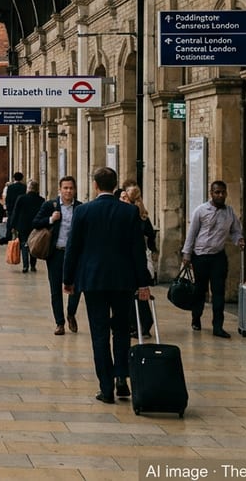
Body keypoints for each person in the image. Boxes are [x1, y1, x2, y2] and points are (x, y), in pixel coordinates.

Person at [63, 167, 152, 404]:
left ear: (95, 185)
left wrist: (68, 279)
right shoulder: (129, 212)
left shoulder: (83, 211)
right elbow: (137, 251)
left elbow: (73, 248)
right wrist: (143, 283)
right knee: (122, 331)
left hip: (93, 281)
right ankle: (122, 378)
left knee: (99, 333)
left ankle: (106, 387)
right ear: (115, 186)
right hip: (123, 281)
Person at [182, 180, 245, 338]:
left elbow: (235, 231)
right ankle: (196, 318)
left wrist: (239, 240)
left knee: (218, 291)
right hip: (201, 256)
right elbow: (192, 233)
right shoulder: (201, 211)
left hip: (218, 256)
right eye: (217, 192)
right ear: (211, 193)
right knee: (200, 290)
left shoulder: (229, 212)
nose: (220, 195)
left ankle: (218, 325)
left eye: (223, 192)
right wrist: (187, 254)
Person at [34, 177, 83, 334]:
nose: (68, 191)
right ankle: (59, 323)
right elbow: (35, 222)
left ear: (75, 190)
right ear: (60, 190)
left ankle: (71, 313)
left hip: (75, 254)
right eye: (65, 188)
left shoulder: (80, 207)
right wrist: (50, 219)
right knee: (55, 288)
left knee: (76, 286)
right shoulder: (50, 205)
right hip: (56, 252)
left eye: (71, 188)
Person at [120, 181, 158, 338]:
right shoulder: (142, 215)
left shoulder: (131, 216)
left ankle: (138, 324)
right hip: (139, 258)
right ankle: (140, 324)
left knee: (134, 293)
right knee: (137, 293)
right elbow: (151, 235)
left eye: (124, 197)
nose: (121, 200)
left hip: (133, 260)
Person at [9, 180, 44, 271]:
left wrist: (13, 225)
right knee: (33, 244)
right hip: (35, 226)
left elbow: (15, 212)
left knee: (24, 244)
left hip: (23, 225)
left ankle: (25, 266)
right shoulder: (41, 200)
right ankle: (33, 265)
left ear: (28, 188)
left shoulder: (21, 198)